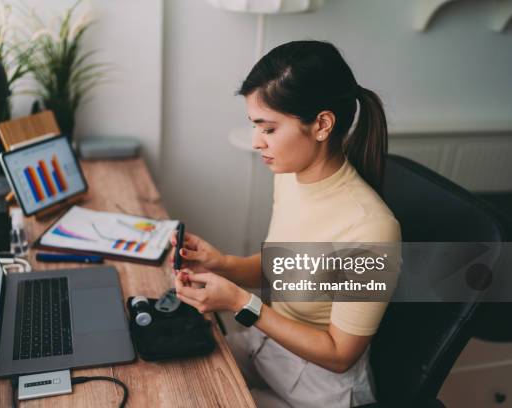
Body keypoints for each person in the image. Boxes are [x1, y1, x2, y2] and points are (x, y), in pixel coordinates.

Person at [169, 40, 401, 407]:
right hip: (267, 349)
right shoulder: (290, 175)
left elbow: (341, 354)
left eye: (269, 129)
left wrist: (240, 302)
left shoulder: (371, 229)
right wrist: (221, 265)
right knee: (174, 380)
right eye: (254, 126)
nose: (256, 142)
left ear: (322, 125)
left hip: (320, 389)